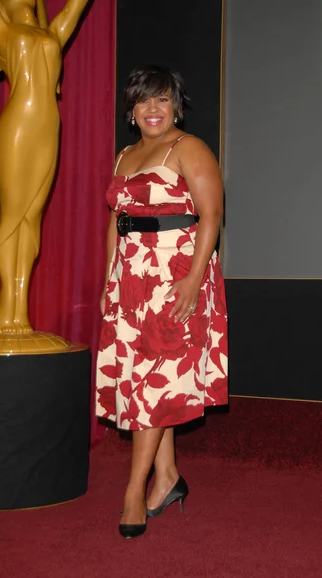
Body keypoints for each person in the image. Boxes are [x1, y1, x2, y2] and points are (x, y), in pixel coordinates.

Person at [96, 65, 228, 539]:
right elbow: (118, 221)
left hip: (174, 277)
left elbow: (211, 215)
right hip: (131, 279)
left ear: (175, 105)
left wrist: (194, 279)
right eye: (143, 100)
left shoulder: (187, 148)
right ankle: (168, 476)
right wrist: (111, 280)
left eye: (162, 99)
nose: (153, 108)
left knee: (154, 384)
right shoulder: (125, 155)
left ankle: (134, 490)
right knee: (149, 382)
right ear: (132, 110)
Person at [0, 0, 99, 334]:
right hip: (17, 128)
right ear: (0, 3)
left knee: (32, 218)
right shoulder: (1, 30)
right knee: (12, 216)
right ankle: (7, 303)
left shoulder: (53, 34)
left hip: (49, 130)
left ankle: (21, 306)